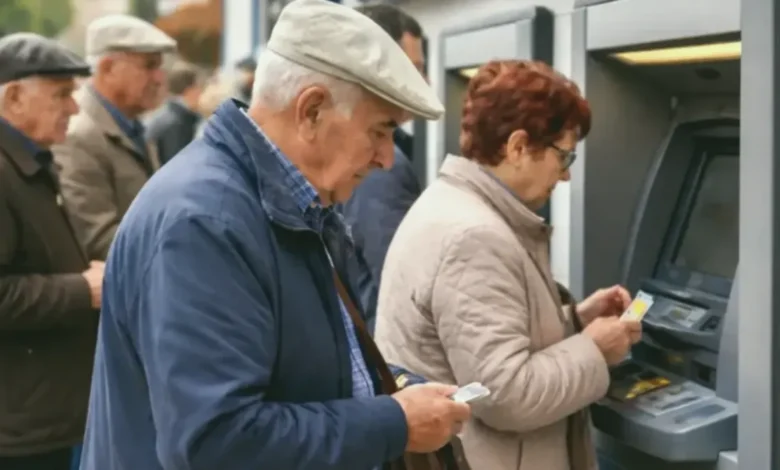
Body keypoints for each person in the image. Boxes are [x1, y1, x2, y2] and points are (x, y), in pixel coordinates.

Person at [78, 1, 470, 469]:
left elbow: (300, 366)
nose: (387, 158)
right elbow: (216, 442)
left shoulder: (270, 199)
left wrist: (393, 387)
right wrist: (394, 422)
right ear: (312, 110)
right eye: (380, 130)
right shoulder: (207, 221)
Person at [373, 60, 643, 470]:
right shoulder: (473, 237)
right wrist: (595, 349)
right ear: (518, 147)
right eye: (564, 157)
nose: (565, 176)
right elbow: (505, 395)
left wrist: (574, 321)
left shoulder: (453, 204)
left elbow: (485, 342)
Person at [0, 33, 104, 470]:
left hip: (42, 414)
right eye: (62, 94)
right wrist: (83, 290)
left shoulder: (31, 160)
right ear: (13, 97)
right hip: (21, 429)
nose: (75, 107)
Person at [53, 15, 176, 261]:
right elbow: (99, 240)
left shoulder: (130, 124)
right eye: (149, 66)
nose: (159, 78)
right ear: (108, 69)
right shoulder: (79, 135)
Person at [341, 4, 427, 330]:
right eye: (415, 69)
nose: (425, 83)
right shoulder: (381, 168)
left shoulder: (374, 152)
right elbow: (399, 283)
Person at [145, 60, 206, 165]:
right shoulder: (177, 123)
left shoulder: (168, 115)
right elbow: (177, 166)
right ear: (191, 89)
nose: (202, 93)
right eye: (199, 87)